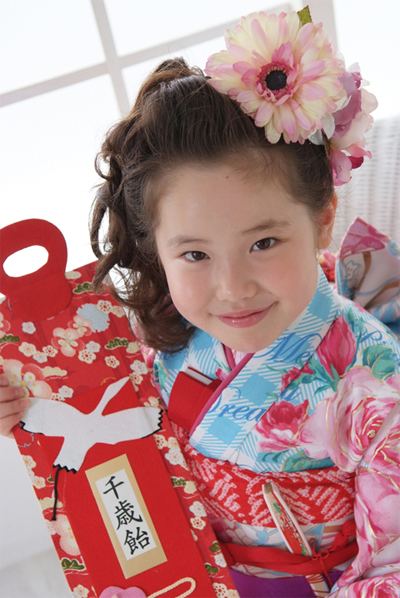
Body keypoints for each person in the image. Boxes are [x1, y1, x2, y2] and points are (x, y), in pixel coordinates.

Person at [1, 8, 399, 598]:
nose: (232, 287)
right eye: (194, 254)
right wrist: (26, 406)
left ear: (322, 219)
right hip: (190, 570)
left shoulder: (375, 384)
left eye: (263, 243)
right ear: (156, 249)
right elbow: (101, 428)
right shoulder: (155, 321)